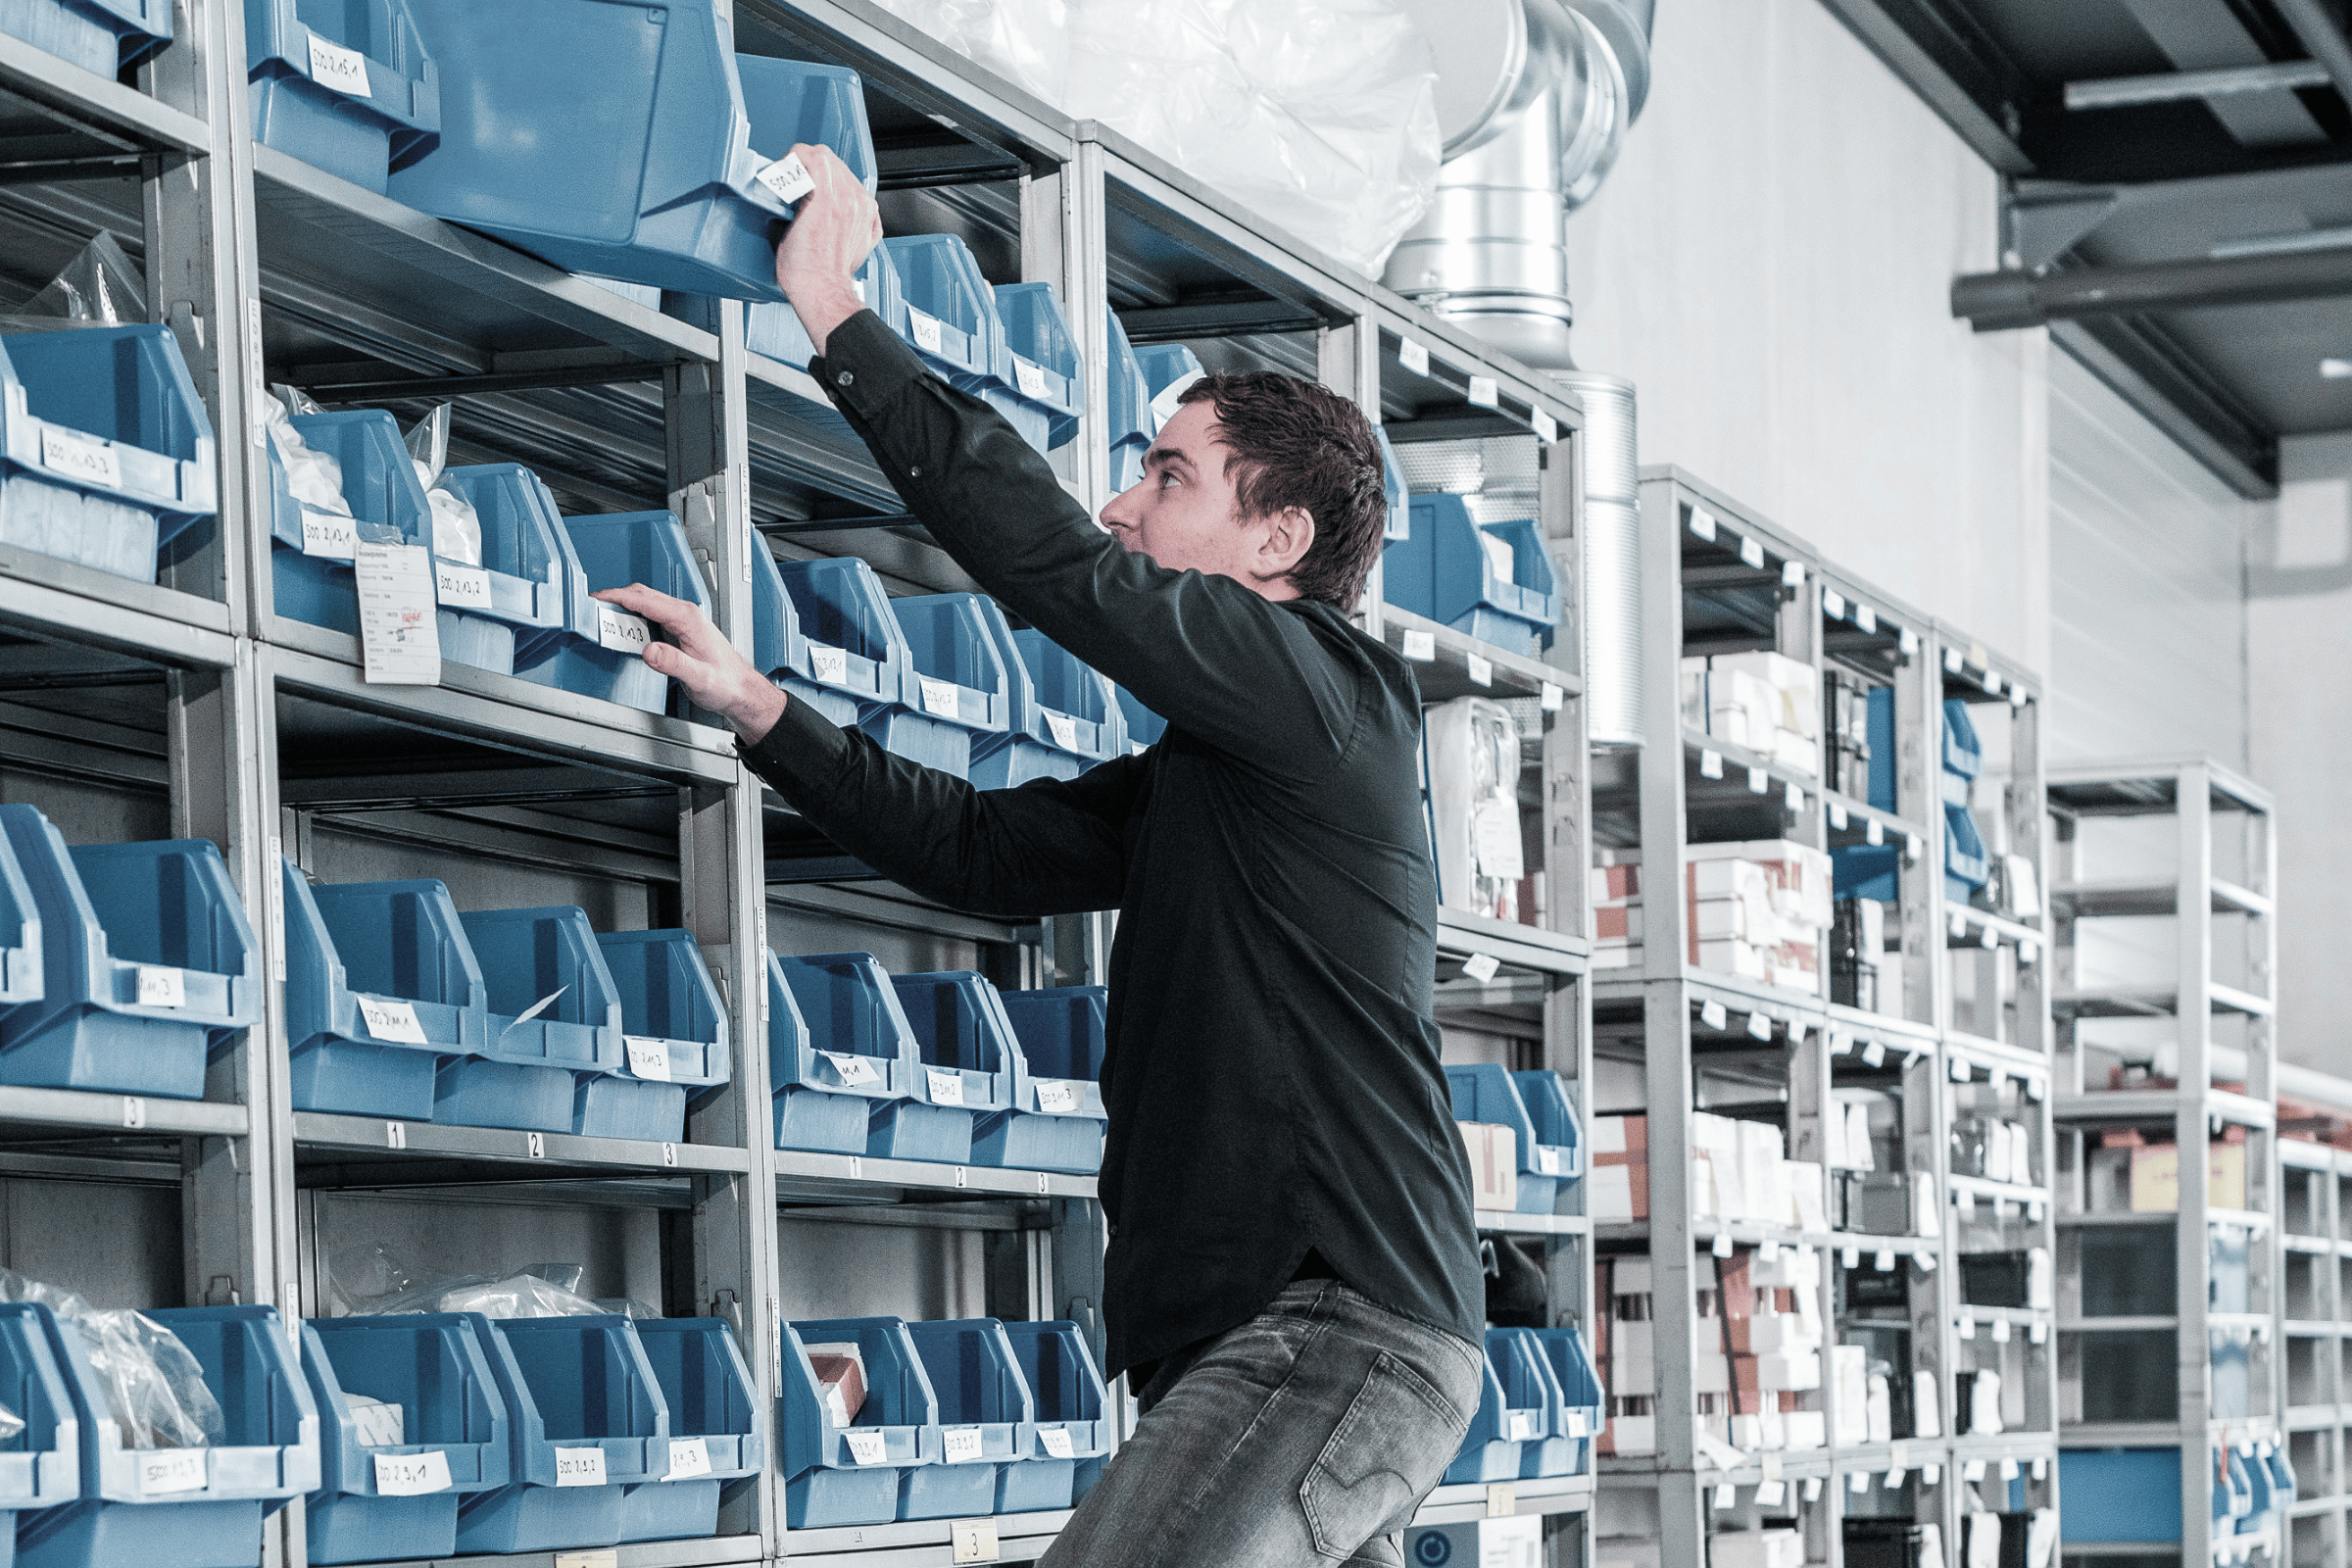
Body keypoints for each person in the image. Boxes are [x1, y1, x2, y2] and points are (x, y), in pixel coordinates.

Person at [601, 144, 1486, 1568]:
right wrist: (762, 709)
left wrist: (832, 305)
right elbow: (979, 850)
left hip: (1332, 1327)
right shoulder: (1226, 773)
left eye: (1167, 476)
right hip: (1272, 1341)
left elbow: (1059, 568)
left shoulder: (1325, 690)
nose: (1128, 507)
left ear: (1280, 535)